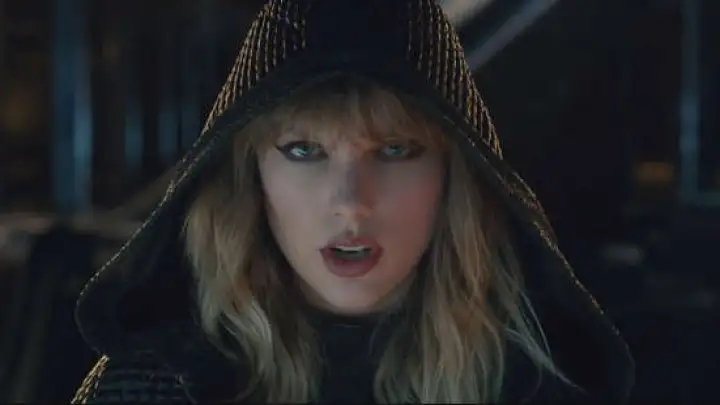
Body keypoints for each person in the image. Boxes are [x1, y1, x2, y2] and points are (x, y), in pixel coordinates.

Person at [71, 0, 634, 403]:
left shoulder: (539, 388)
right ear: (249, 177)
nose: (351, 205)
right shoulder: (146, 387)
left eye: (395, 150)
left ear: (455, 178)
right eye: (304, 150)